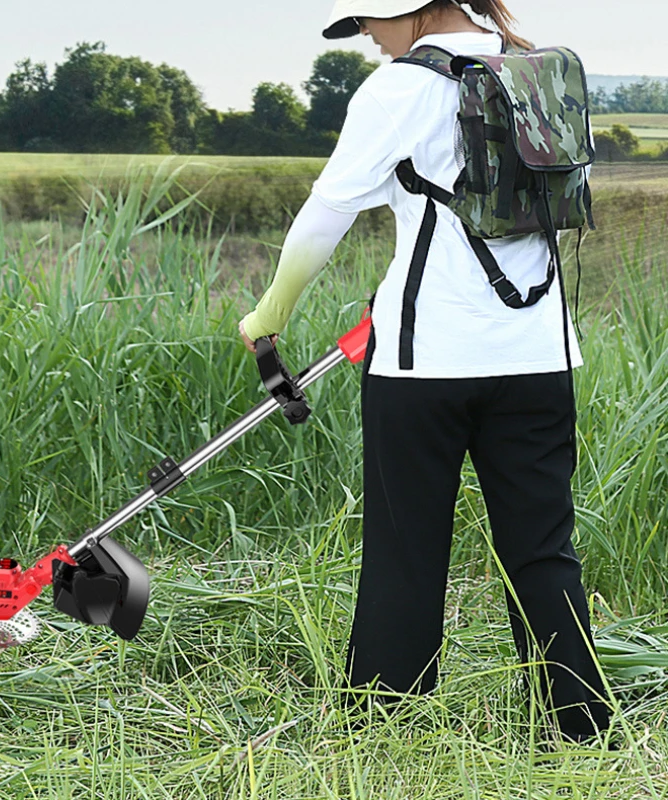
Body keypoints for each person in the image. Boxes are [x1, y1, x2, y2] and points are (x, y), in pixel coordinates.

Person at [238, 0, 614, 746]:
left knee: (406, 548)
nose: (369, 41)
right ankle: (579, 726)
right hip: (540, 357)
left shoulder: (400, 90)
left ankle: (384, 724)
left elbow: (327, 211)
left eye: (368, 25)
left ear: (406, 12)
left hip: (424, 364)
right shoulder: (535, 70)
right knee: (542, 548)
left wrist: (270, 311)